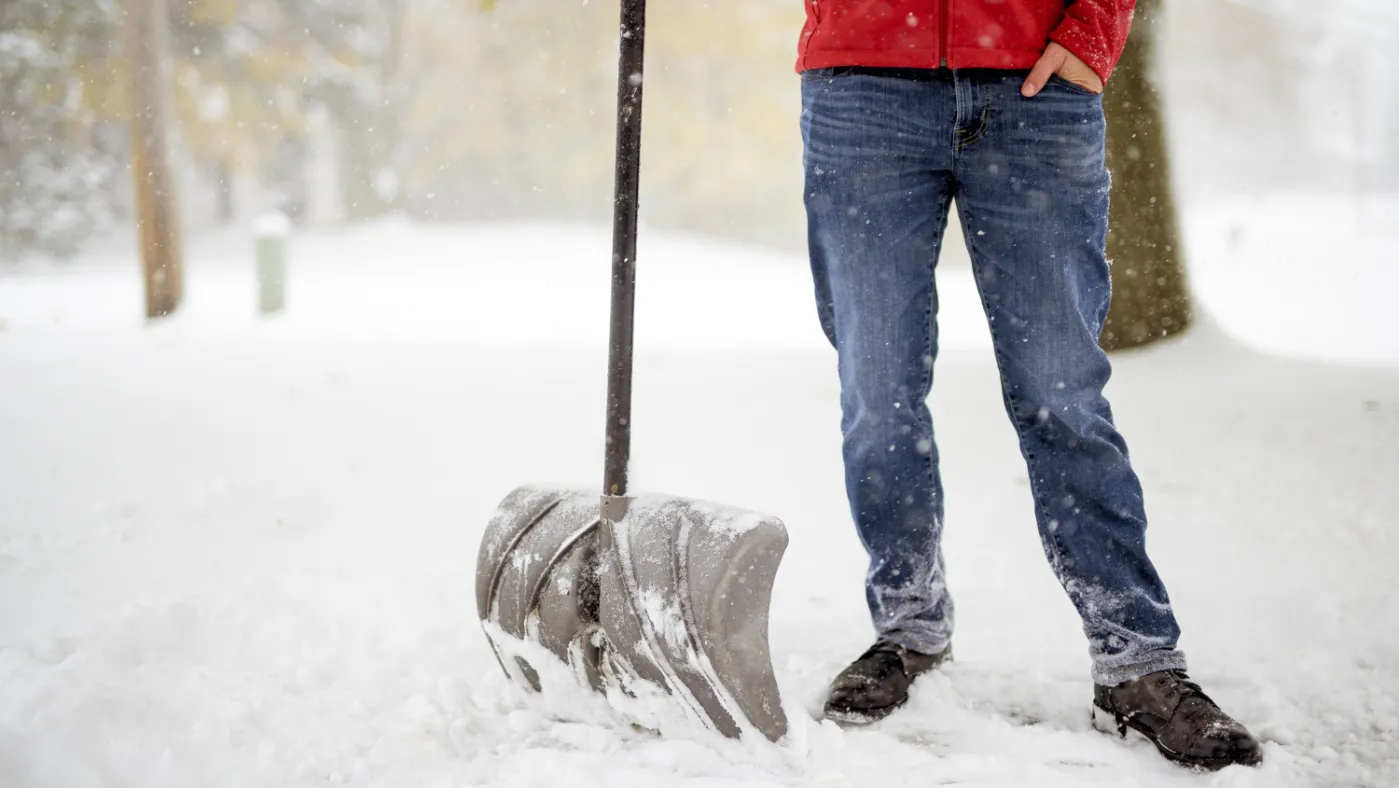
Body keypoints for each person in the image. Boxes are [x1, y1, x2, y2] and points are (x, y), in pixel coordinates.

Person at [796, 0, 1262, 771]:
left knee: (1061, 397)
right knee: (877, 395)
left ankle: (1135, 661)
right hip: (862, 91)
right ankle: (907, 628)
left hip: (1034, 89)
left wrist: (1091, 35)